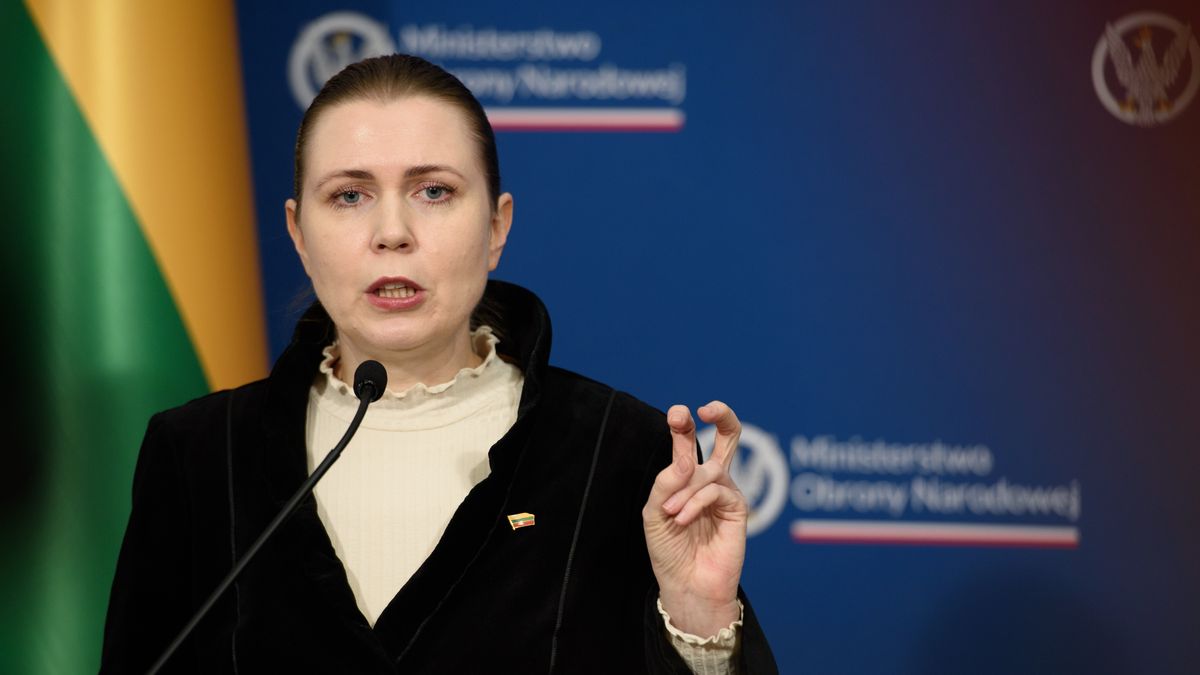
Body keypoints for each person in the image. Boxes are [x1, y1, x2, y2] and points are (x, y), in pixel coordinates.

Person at [101, 54, 777, 674]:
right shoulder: (197, 456)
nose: (392, 232)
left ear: (496, 227)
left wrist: (701, 627)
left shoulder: (621, 451)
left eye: (433, 191)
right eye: (349, 195)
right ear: (298, 233)